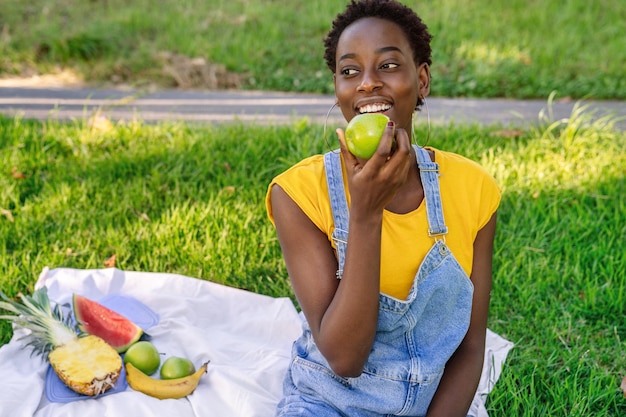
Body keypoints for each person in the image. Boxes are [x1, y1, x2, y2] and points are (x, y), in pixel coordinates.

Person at [265, 1, 500, 416]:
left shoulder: (472, 188)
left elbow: (469, 348)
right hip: (327, 402)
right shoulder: (298, 193)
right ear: (337, 87)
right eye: (350, 71)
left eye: (388, 66)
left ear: (421, 80)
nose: (367, 84)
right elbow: (344, 358)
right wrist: (366, 213)